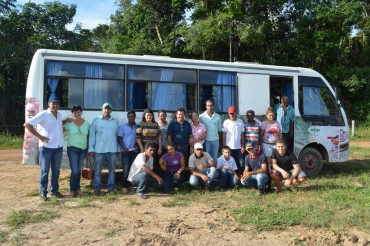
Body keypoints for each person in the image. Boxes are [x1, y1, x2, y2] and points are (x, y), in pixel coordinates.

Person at [23, 95, 64, 202]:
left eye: (57, 104)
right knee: (45, 171)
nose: (55, 105)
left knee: (56, 171)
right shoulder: (43, 114)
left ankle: (54, 191)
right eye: (53, 103)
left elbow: (57, 126)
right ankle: (42, 193)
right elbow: (27, 125)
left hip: (58, 147)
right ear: (49, 104)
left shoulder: (59, 115)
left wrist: (66, 121)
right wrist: (40, 137)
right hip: (46, 148)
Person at [88, 102, 119, 195]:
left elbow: (117, 136)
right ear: (102, 110)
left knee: (112, 171)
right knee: (97, 170)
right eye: (105, 108)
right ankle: (97, 188)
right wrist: (91, 149)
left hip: (112, 150)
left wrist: (117, 149)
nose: (107, 110)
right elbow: (92, 136)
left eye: (108, 108)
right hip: (99, 150)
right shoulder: (96, 120)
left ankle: (111, 188)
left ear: (111, 110)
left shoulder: (115, 121)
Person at [63, 105, 90, 197]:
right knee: (74, 170)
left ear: (81, 113)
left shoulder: (87, 124)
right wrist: (64, 121)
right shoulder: (69, 123)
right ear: (72, 113)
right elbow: (59, 128)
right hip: (72, 148)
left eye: (78, 112)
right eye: (75, 112)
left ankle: (77, 189)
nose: (77, 114)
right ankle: (72, 189)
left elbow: (90, 136)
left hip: (83, 149)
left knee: (78, 170)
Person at [117, 110, 138, 194]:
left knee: (132, 169)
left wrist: (137, 145)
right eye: (130, 117)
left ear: (135, 117)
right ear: (127, 117)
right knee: (125, 169)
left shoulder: (138, 126)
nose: (131, 118)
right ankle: (124, 186)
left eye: (133, 116)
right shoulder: (123, 126)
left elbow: (139, 138)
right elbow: (119, 138)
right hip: (125, 151)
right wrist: (124, 148)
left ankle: (130, 185)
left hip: (134, 151)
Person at [136, 108, 162, 175]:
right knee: (144, 162)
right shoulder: (141, 124)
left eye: (150, 115)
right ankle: (144, 177)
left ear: (152, 116)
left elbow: (159, 136)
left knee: (153, 163)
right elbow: (138, 137)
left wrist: (159, 148)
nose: (149, 117)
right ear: (144, 116)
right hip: (145, 146)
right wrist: (141, 148)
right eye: (147, 115)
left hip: (154, 147)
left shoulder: (156, 124)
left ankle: (153, 178)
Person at [222, 106, 245, 172]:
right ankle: (232, 177)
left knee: (240, 163)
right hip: (229, 147)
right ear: (228, 114)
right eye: (230, 113)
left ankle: (240, 177)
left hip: (238, 147)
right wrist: (224, 146)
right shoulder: (226, 122)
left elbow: (242, 134)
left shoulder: (240, 121)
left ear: (236, 113)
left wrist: (243, 146)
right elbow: (224, 135)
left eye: (233, 113)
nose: (231, 115)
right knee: (229, 163)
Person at [199, 99, 222, 163]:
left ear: (213, 106)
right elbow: (199, 129)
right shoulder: (201, 117)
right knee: (206, 157)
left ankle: (214, 171)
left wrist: (220, 141)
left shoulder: (218, 116)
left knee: (214, 158)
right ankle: (207, 172)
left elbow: (220, 130)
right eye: (208, 105)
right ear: (206, 106)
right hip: (206, 140)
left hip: (216, 140)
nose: (209, 107)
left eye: (211, 105)